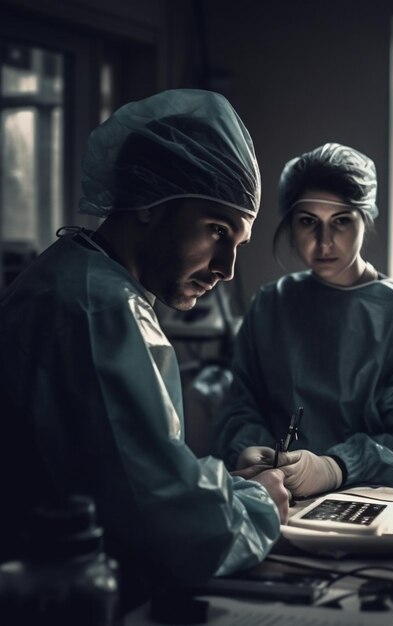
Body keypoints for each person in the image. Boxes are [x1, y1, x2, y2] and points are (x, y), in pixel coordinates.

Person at [0, 89, 290, 605]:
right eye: (216, 230)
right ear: (151, 205)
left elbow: (135, 472)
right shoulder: (100, 310)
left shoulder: (73, 275)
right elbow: (177, 530)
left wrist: (227, 486)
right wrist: (263, 501)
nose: (226, 268)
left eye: (238, 244)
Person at [211, 142, 393, 499]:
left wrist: (337, 467)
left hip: (370, 504)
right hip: (274, 497)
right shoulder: (271, 306)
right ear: (290, 224)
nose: (324, 241)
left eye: (341, 220)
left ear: (366, 219)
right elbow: (242, 404)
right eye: (308, 221)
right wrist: (248, 447)